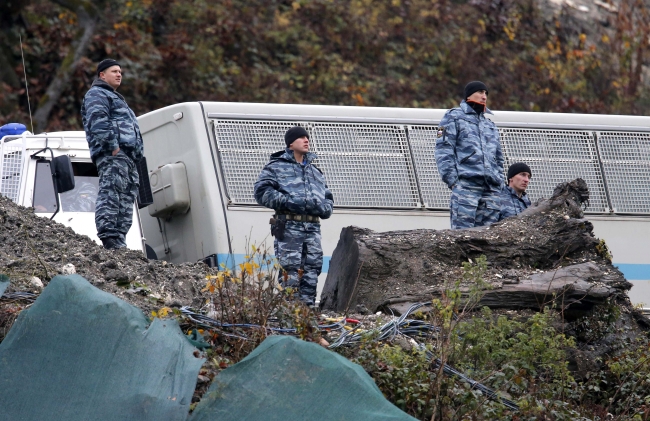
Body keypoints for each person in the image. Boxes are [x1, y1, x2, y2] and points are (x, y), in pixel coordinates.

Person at [254, 126, 334, 306]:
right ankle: (291, 317)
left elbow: (328, 198)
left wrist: (323, 208)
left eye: (307, 137)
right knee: (290, 272)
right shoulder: (276, 167)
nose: (306, 140)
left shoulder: (315, 172)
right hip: (290, 229)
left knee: (312, 271)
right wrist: (292, 202)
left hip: (312, 230)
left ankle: (306, 317)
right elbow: (262, 193)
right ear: (290, 144)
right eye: (301, 138)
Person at [81, 59, 143, 249]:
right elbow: (98, 122)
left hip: (127, 158)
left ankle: (119, 240)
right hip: (114, 154)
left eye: (120, 72)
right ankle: (109, 236)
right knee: (111, 191)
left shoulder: (115, 97)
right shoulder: (97, 94)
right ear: (102, 75)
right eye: (114, 71)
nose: (119, 75)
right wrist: (113, 147)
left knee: (126, 195)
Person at [435, 81, 505, 229]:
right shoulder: (453, 117)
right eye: (480, 92)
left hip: (490, 191)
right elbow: (443, 149)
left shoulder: (490, 125)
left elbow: (498, 159)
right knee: (463, 237)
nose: (484, 96)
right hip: (466, 187)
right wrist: (453, 181)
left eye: (486, 93)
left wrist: (499, 183)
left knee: (489, 240)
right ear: (468, 95)